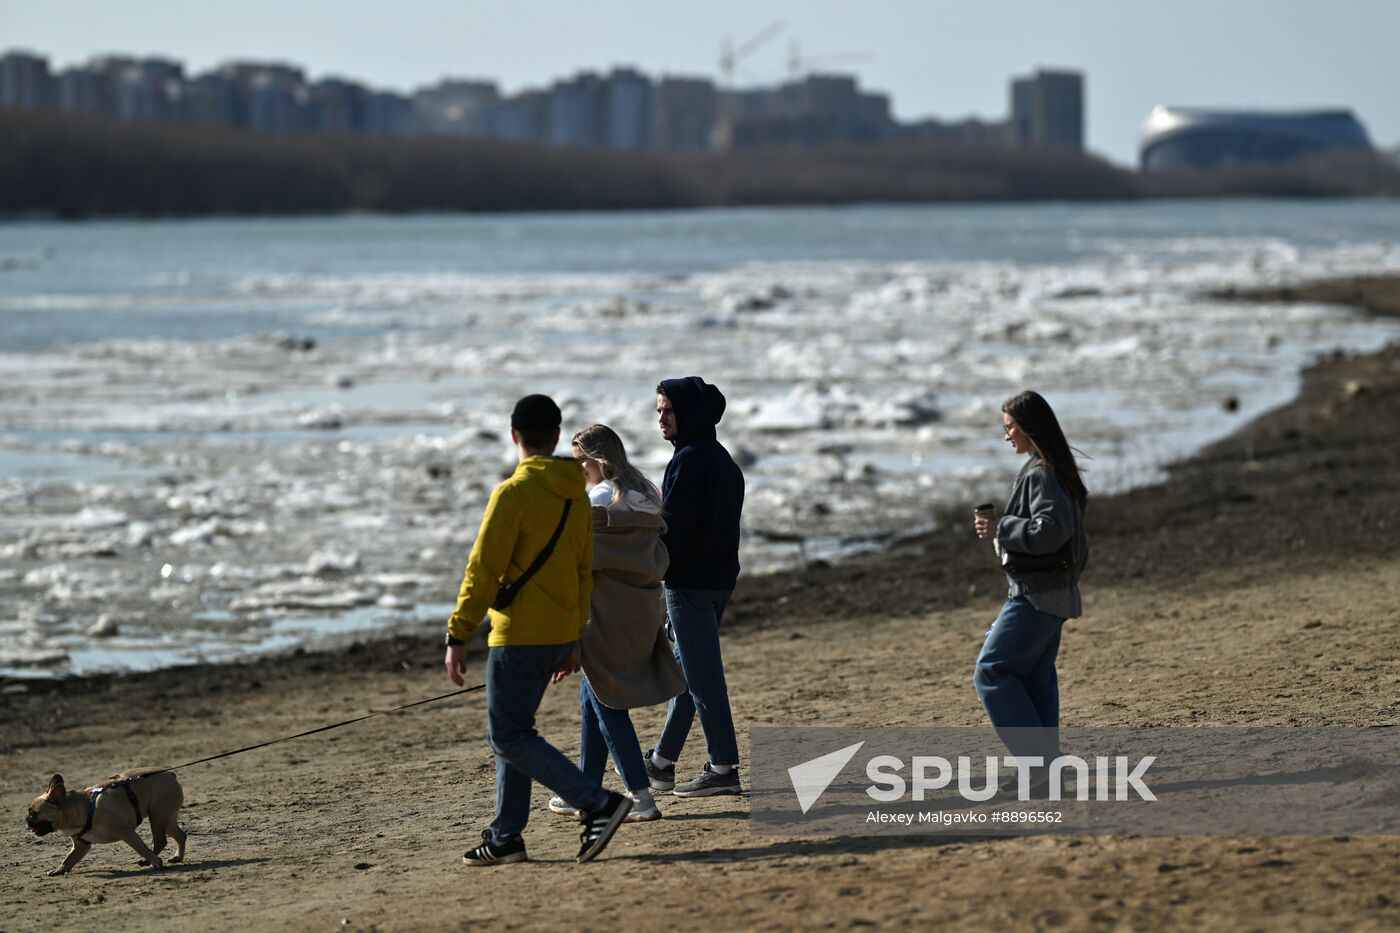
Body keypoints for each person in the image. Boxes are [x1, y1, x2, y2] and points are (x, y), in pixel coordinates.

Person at [444, 394, 631, 867]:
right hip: (557, 635)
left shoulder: (513, 494)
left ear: (514, 435)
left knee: (508, 736)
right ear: (555, 436)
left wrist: (457, 633)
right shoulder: (575, 494)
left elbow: (482, 570)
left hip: (519, 635)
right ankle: (507, 836)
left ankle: (597, 802)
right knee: (517, 731)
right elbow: (582, 570)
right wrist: (572, 635)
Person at [547, 424, 687, 822]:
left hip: (604, 614)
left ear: (595, 459)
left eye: (579, 462)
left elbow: (578, 563)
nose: (578, 471)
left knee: (609, 703)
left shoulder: (599, 500)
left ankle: (639, 795)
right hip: (641, 611)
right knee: (594, 696)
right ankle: (583, 791)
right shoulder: (646, 494)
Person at [973, 390, 1089, 785]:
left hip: (1039, 593)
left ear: (1029, 427)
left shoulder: (1042, 472)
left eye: (1009, 427)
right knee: (1034, 676)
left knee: (992, 672)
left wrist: (1001, 528)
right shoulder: (1052, 469)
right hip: (1052, 592)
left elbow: (1052, 531)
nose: (1006, 436)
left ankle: (1038, 765)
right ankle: (1047, 767)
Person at [643, 377, 746, 798]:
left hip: (690, 586)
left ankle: (723, 768)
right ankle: (661, 763)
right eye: (658, 410)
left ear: (688, 413)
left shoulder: (688, 460)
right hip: (720, 581)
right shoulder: (723, 459)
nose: (660, 418)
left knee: (703, 680)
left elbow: (674, 533)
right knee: (688, 674)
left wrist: (644, 575)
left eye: (667, 410)